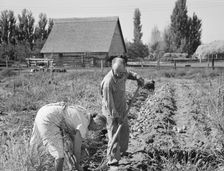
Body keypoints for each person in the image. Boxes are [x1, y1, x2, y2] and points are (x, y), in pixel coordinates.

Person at [29, 102, 107, 171]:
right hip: (48, 119)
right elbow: (77, 150)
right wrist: (78, 166)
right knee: (59, 156)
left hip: (44, 110)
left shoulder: (84, 113)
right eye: (99, 128)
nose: (96, 130)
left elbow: (73, 142)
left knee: (38, 145)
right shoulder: (83, 124)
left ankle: (35, 163)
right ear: (97, 124)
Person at [100, 56, 145, 166]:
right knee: (114, 133)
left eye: (121, 72)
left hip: (122, 107)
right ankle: (112, 159)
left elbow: (129, 74)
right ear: (112, 68)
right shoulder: (108, 82)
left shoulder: (123, 72)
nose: (120, 75)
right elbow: (109, 104)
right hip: (111, 111)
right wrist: (116, 116)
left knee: (124, 130)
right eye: (117, 73)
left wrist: (137, 77)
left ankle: (122, 151)